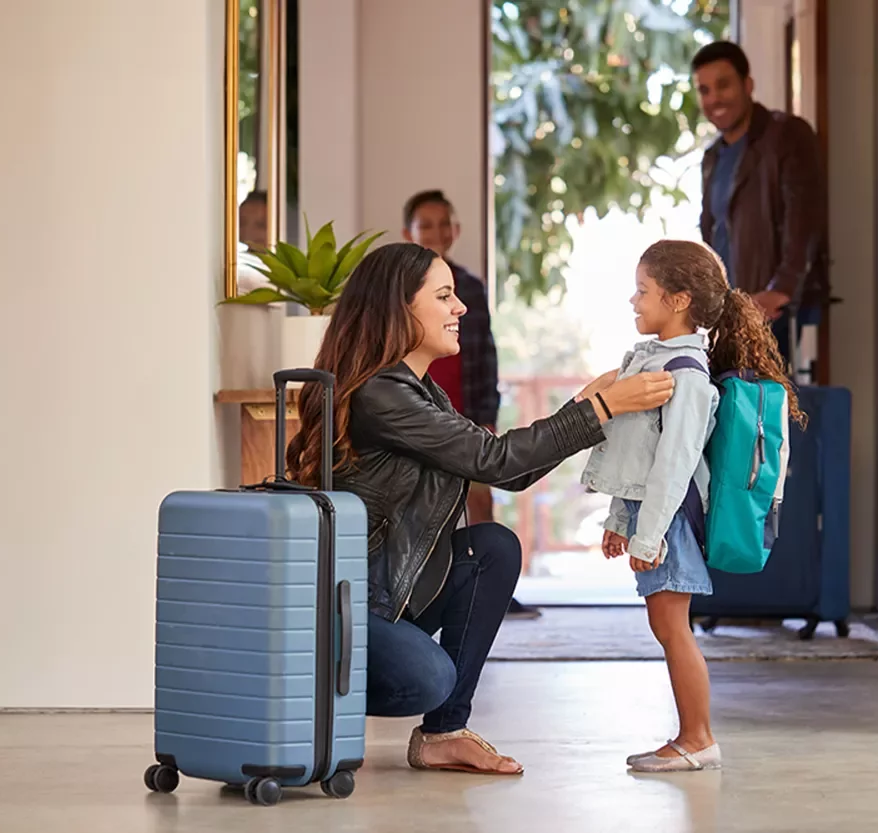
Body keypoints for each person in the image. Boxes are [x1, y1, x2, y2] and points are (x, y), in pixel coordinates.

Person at [283, 242, 675, 775]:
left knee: (493, 547)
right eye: (444, 296)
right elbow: (494, 459)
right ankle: (317, 690)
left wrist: (587, 406)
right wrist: (599, 409)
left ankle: (444, 734)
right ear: (400, 308)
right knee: (428, 678)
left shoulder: (418, 392)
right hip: (353, 611)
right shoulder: (382, 395)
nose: (460, 307)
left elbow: (508, 471)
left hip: (391, 596)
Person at [582, 240, 802, 773]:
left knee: (672, 629)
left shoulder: (687, 376)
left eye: (643, 291)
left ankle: (697, 739)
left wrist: (649, 535)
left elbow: (675, 464)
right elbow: (636, 455)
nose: (633, 301)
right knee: (667, 627)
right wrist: (620, 519)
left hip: (670, 519)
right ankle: (693, 737)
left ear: (678, 300)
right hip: (655, 516)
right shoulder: (655, 362)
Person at [400, 189, 539, 620]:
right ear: (408, 232)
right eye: (426, 225)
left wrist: (486, 415)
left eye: (444, 224)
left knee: (479, 499)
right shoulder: (396, 291)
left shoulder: (470, 289)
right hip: (414, 413)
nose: (436, 232)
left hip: (464, 413)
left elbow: (485, 356)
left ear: (455, 230)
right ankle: (417, 591)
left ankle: (492, 588)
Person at [692, 40, 828, 368]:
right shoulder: (712, 157)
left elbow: (804, 216)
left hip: (772, 311)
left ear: (748, 84)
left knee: (765, 398)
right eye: (705, 90)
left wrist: (782, 289)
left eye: (723, 85)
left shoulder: (786, 135)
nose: (714, 99)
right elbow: (712, 232)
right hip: (731, 313)